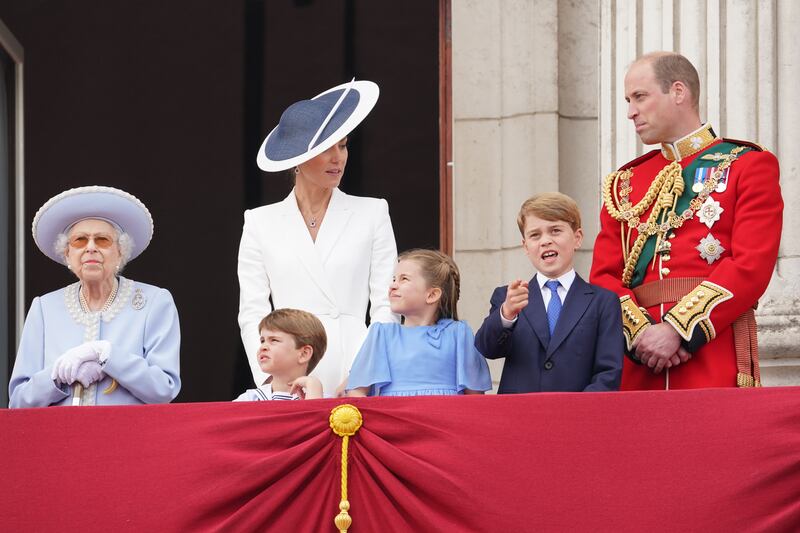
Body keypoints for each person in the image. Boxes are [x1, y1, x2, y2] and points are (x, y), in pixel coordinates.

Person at [590, 51, 782, 390]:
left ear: (678, 92)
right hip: (640, 360)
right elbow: (603, 276)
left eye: (640, 97)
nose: (631, 112)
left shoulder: (746, 165)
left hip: (712, 351)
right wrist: (641, 333)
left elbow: (751, 265)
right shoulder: (625, 183)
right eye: (628, 100)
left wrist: (679, 329)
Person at [238, 79, 398, 397]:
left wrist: (362, 375)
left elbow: (386, 304)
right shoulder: (259, 221)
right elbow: (252, 310)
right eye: (327, 148)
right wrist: (273, 379)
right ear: (297, 157)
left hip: (356, 367)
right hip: (289, 371)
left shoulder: (373, 212)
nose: (338, 158)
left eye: (343, 145)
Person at [9, 186, 181, 407]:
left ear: (120, 252)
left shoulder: (154, 302)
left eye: (102, 240)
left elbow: (163, 389)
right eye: (80, 240)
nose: (90, 248)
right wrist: (57, 376)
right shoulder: (44, 308)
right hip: (61, 438)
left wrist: (107, 354)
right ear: (67, 255)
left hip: (129, 437)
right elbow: (18, 401)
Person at [475, 193, 623, 393]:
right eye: (535, 235)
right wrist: (506, 315)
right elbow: (487, 349)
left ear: (577, 238)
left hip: (577, 417)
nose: (545, 241)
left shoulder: (603, 301)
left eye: (555, 231)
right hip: (518, 418)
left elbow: (608, 372)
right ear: (526, 246)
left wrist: (580, 414)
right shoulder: (507, 298)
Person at [346, 249, 491, 397]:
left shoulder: (459, 334)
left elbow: (475, 397)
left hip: (444, 418)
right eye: (394, 279)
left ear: (432, 295)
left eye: (404, 279)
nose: (393, 285)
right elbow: (357, 391)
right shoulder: (381, 335)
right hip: (394, 418)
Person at [234, 309, 324, 401]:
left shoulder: (325, 400)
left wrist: (314, 394)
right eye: (262, 341)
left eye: (274, 340)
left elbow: (316, 415)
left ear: (304, 354)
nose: (263, 347)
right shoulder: (247, 400)